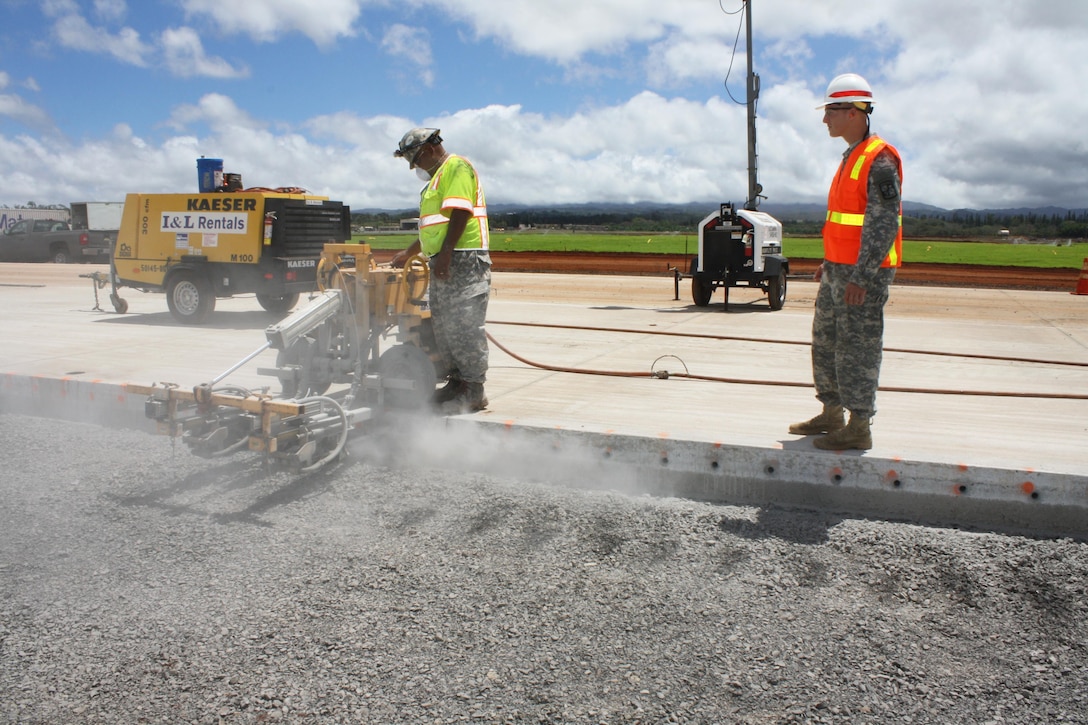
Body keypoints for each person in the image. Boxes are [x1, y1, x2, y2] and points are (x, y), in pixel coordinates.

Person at [790, 73, 903, 451]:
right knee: (826, 341)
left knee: (858, 348)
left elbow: (883, 222)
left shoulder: (880, 159)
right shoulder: (851, 156)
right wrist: (830, 261)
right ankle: (832, 412)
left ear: (854, 112)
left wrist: (862, 276)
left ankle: (859, 426)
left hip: (862, 274)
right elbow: (846, 220)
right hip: (839, 269)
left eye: (831, 112)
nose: (826, 120)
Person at [391, 128, 492, 414]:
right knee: (445, 326)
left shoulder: (456, 167)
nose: (417, 167)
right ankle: (457, 384)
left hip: (463, 259)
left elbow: (461, 213)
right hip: (444, 260)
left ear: (429, 149)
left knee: (465, 327)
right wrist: (409, 253)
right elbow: (433, 228)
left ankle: (473, 390)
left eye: (416, 160)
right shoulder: (436, 180)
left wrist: (446, 255)